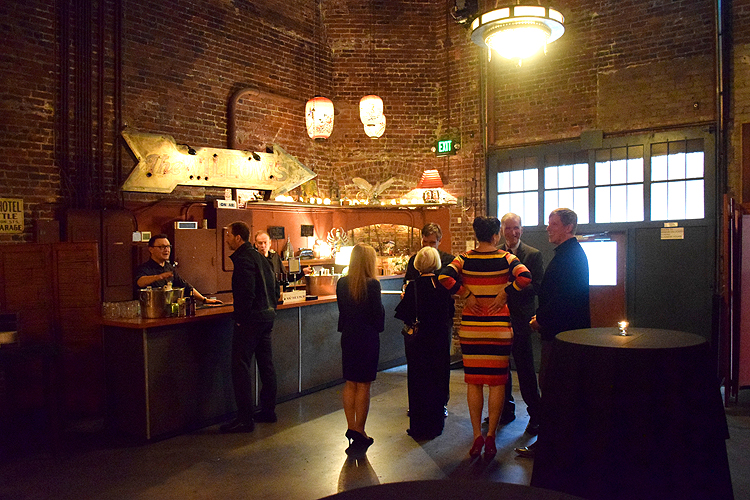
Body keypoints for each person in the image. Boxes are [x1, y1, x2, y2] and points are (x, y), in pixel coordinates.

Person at [439, 216, 531, 461]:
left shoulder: (463, 258)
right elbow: (525, 277)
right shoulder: (506, 258)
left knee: (474, 382)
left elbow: (444, 277)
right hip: (498, 327)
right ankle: (491, 436)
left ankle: (476, 435)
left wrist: (465, 294)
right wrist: (506, 292)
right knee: (497, 383)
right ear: (495, 235)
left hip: (472, 328)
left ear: (476, 234)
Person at [515, 208, 590, 458]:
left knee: (553, 388)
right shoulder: (567, 254)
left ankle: (551, 443)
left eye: (553, 224)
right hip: (560, 333)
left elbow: (565, 298)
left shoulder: (570, 257)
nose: (548, 228)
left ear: (568, 227)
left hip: (562, 335)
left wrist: (541, 319)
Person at [220, 221, 280, 433]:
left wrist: (240, 318)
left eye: (228, 235)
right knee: (266, 365)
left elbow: (246, 292)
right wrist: (271, 309)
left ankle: (245, 418)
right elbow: (274, 288)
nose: (226, 239)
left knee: (240, 365)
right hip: (267, 317)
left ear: (238, 237)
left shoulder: (243, 258)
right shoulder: (260, 257)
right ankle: (268, 410)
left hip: (251, 320)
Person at [395, 246, 453, 440]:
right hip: (439, 340)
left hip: (419, 342)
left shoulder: (413, 287)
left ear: (418, 264)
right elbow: (450, 312)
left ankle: (418, 426)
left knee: (418, 381)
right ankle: (436, 424)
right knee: (437, 379)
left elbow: (404, 314)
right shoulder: (442, 286)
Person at [336, 243, 385, 456]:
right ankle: (360, 429)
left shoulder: (342, 283)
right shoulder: (372, 285)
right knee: (364, 384)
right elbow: (378, 317)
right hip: (367, 337)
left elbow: (342, 311)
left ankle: (350, 426)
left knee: (350, 382)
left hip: (348, 335)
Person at [498, 213, 544, 435]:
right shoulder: (496, 254)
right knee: (501, 369)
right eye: (508, 228)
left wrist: (512, 288)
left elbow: (537, 286)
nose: (513, 232)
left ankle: (536, 415)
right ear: (502, 231)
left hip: (521, 319)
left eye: (516, 228)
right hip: (499, 318)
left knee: (525, 371)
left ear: (522, 229)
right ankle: (505, 411)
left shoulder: (533, 255)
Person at [134, 234, 221, 304]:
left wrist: (204, 300)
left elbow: (185, 286)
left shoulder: (169, 267)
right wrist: (157, 277)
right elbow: (140, 282)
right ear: (151, 249)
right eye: (162, 247)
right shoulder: (145, 268)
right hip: (153, 310)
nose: (166, 250)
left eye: (168, 246)